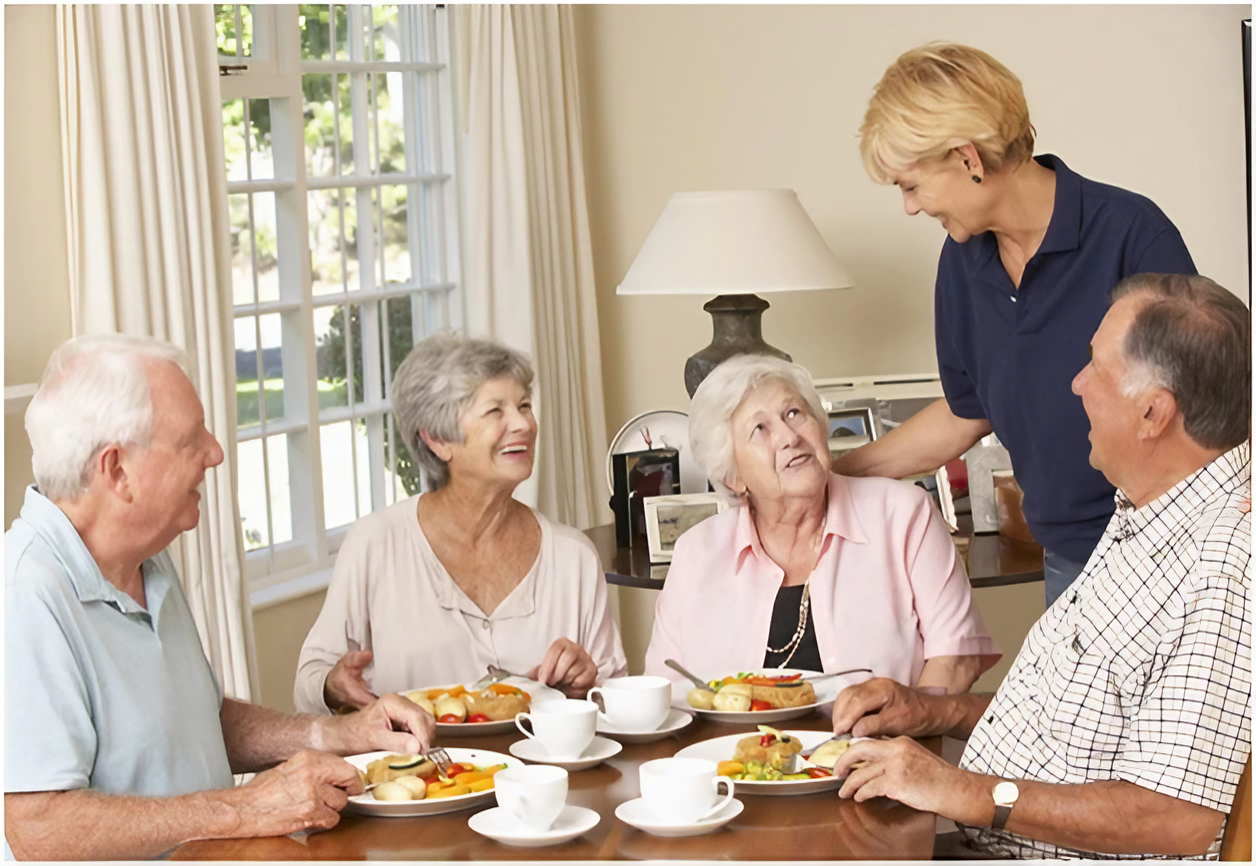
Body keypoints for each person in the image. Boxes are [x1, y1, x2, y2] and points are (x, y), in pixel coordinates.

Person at [829, 274, 1250, 858]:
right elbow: (1063, 727)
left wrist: (953, 788)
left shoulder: (1228, 563)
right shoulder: (1148, 507)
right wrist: (932, 710)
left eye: (1095, 367)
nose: (1076, 384)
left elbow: (1177, 817)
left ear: (1153, 413)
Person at [5, 335, 435, 861]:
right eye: (190, 440)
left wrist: (339, 733)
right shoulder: (25, 593)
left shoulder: (147, 557)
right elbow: (38, 826)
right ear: (117, 470)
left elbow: (199, 721)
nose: (215, 452)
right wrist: (245, 809)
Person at [839, 42, 1199, 607]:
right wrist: (833, 471)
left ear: (967, 159)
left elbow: (1214, 409)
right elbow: (966, 414)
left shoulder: (1132, 235)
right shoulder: (962, 263)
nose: (909, 207)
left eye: (910, 185)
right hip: (1067, 562)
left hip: (1167, 561)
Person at [295, 334, 626, 713]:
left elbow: (617, 700)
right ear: (437, 440)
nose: (523, 424)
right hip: (419, 768)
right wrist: (332, 685)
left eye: (524, 405)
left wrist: (586, 685)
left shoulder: (573, 557)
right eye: (495, 411)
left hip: (545, 770)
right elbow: (310, 679)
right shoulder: (377, 543)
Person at [643, 355, 1000, 692]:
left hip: (884, 750)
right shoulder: (696, 554)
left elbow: (957, 659)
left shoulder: (905, 517)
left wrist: (907, 736)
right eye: (760, 429)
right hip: (730, 755)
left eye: (794, 413)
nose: (788, 436)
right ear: (734, 476)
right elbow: (665, 690)